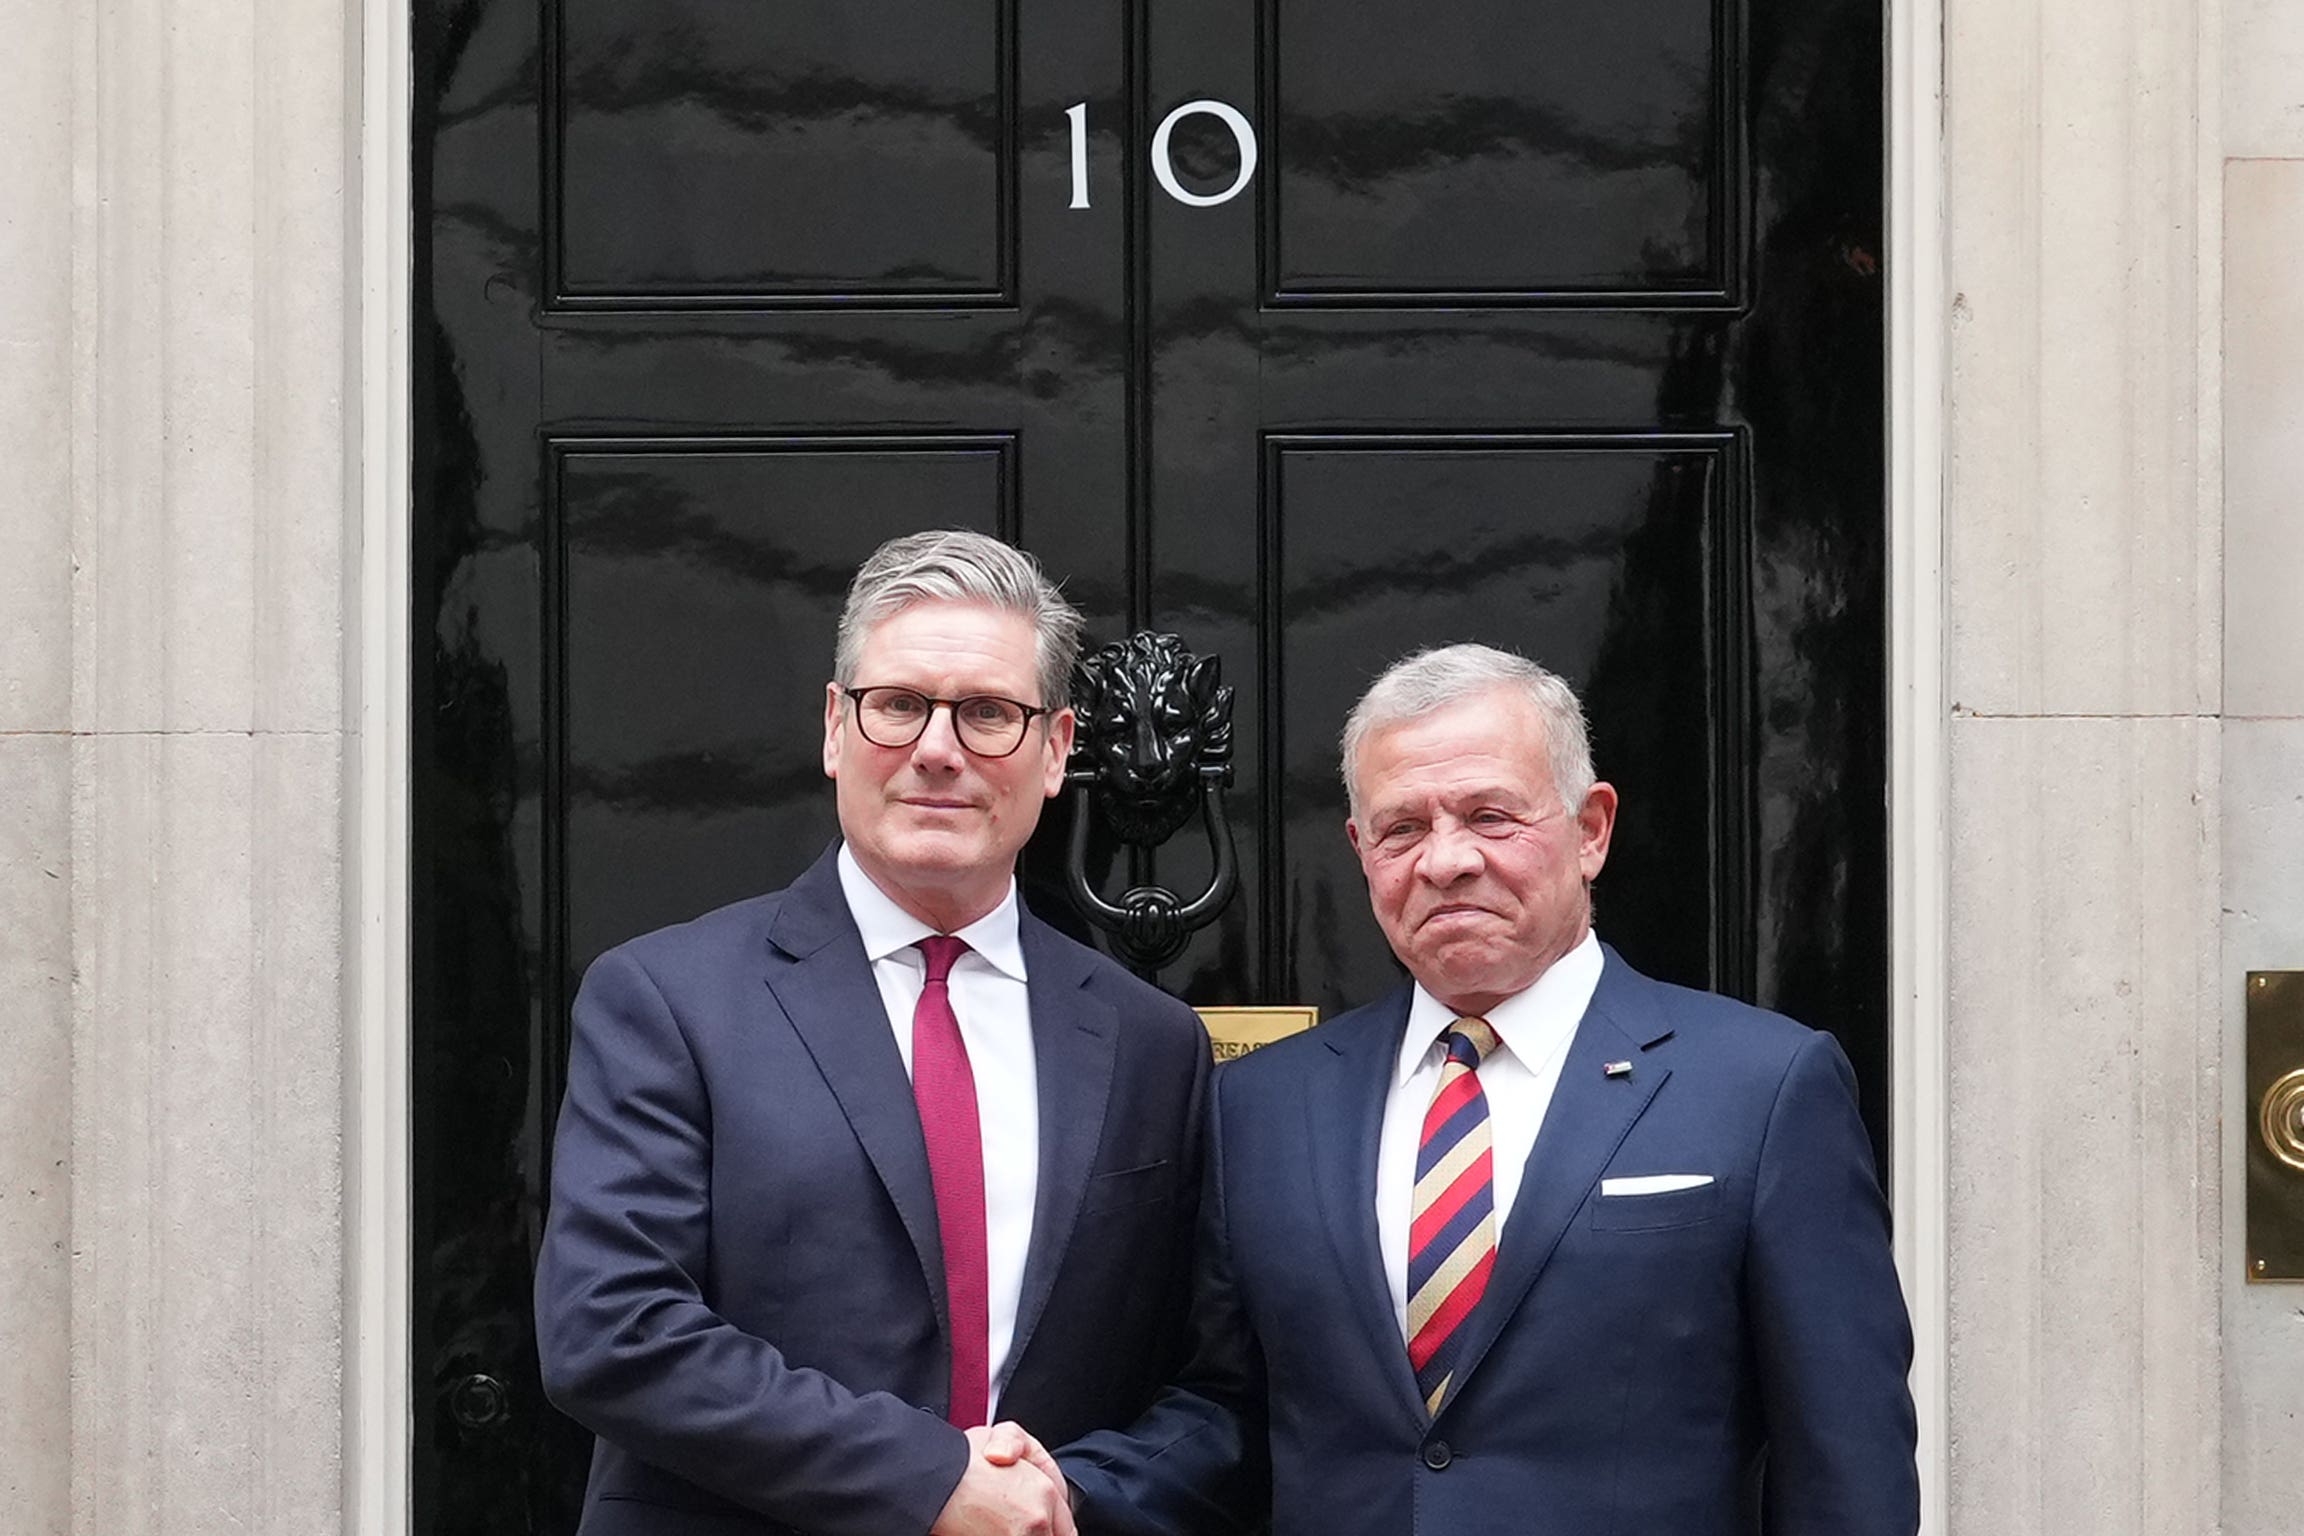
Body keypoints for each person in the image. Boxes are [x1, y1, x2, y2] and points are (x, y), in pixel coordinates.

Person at [1043, 643, 1919, 1535]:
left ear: (1591, 830)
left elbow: (1846, 1469)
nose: (1445, 860)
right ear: (1361, 850)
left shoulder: (1763, 1087)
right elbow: (1227, 1411)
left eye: (1490, 816)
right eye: (1403, 828)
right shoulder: (1263, 1108)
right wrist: (1061, 1494)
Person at [537, 530, 1208, 1536]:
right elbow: (612, 1329)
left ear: (1058, 748)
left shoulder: (1153, 1043)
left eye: (988, 713)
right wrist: (930, 1477)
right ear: (835, 729)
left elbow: (1209, 1387)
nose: (938, 750)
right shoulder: (667, 1000)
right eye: (898, 706)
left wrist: (1063, 1496)